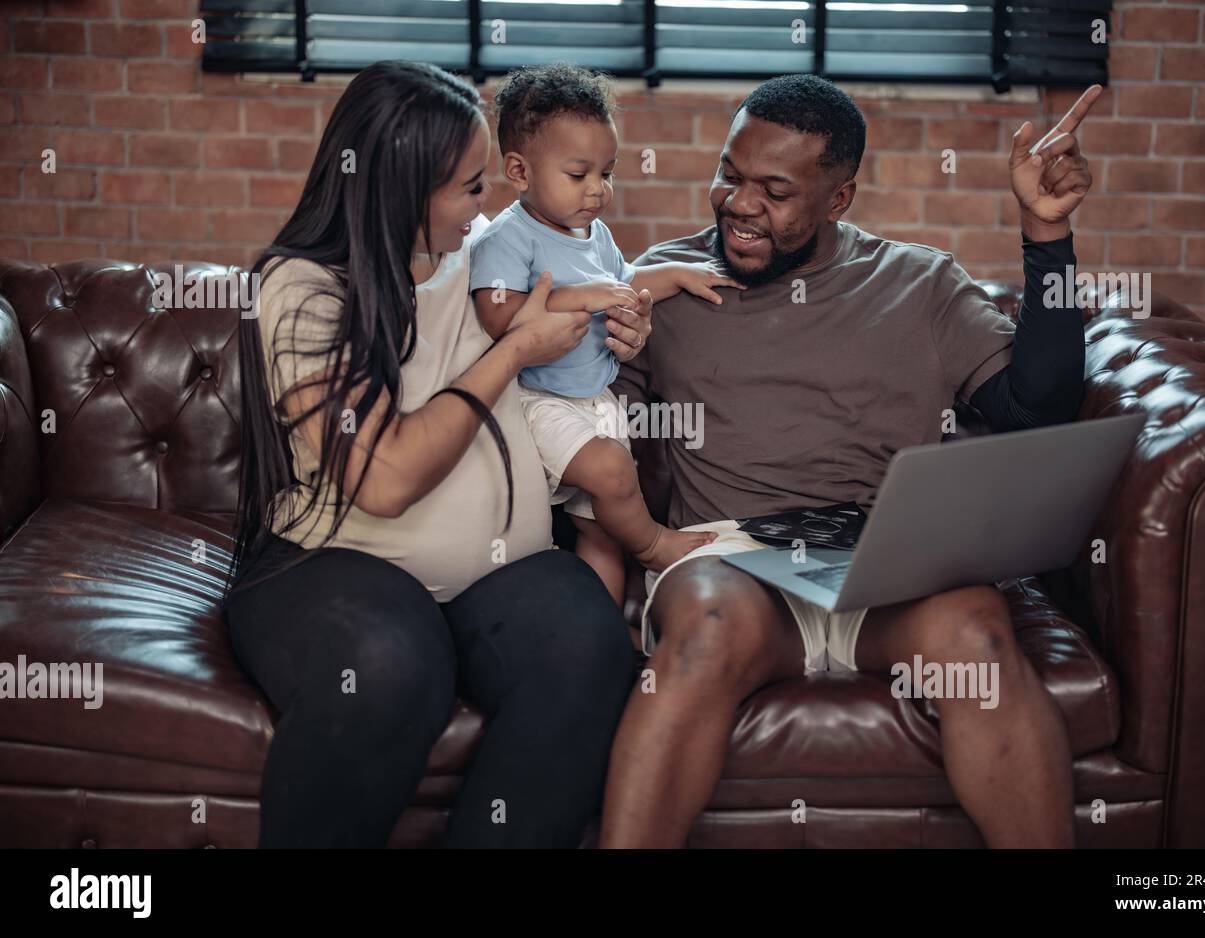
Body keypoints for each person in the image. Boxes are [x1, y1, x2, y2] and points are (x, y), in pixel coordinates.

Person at [599, 74, 1101, 848]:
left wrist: (1046, 235)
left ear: (839, 199)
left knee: (975, 629)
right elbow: (588, 429)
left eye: (775, 190)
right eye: (730, 175)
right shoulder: (662, 283)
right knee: (704, 629)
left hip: (884, 560)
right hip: (729, 558)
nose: (740, 204)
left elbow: (1037, 405)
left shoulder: (919, 284)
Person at [222, 61, 648, 848]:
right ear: (398, 185)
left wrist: (620, 332)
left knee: (590, 652)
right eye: (468, 187)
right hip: (336, 564)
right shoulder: (302, 288)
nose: (484, 207)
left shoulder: (493, 258)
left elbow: (597, 301)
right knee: (388, 663)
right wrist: (512, 351)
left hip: (500, 573)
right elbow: (383, 479)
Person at [470, 63, 739, 603]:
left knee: (599, 534)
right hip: (535, 400)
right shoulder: (509, 237)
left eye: (607, 173)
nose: (597, 190)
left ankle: (609, 637)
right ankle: (655, 546)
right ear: (520, 172)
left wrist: (677, 275)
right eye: (578, 175)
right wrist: (582, 296)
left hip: (593, 400)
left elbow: (624, 282)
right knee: (614, 470)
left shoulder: (593, 233)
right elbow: (498, 315)